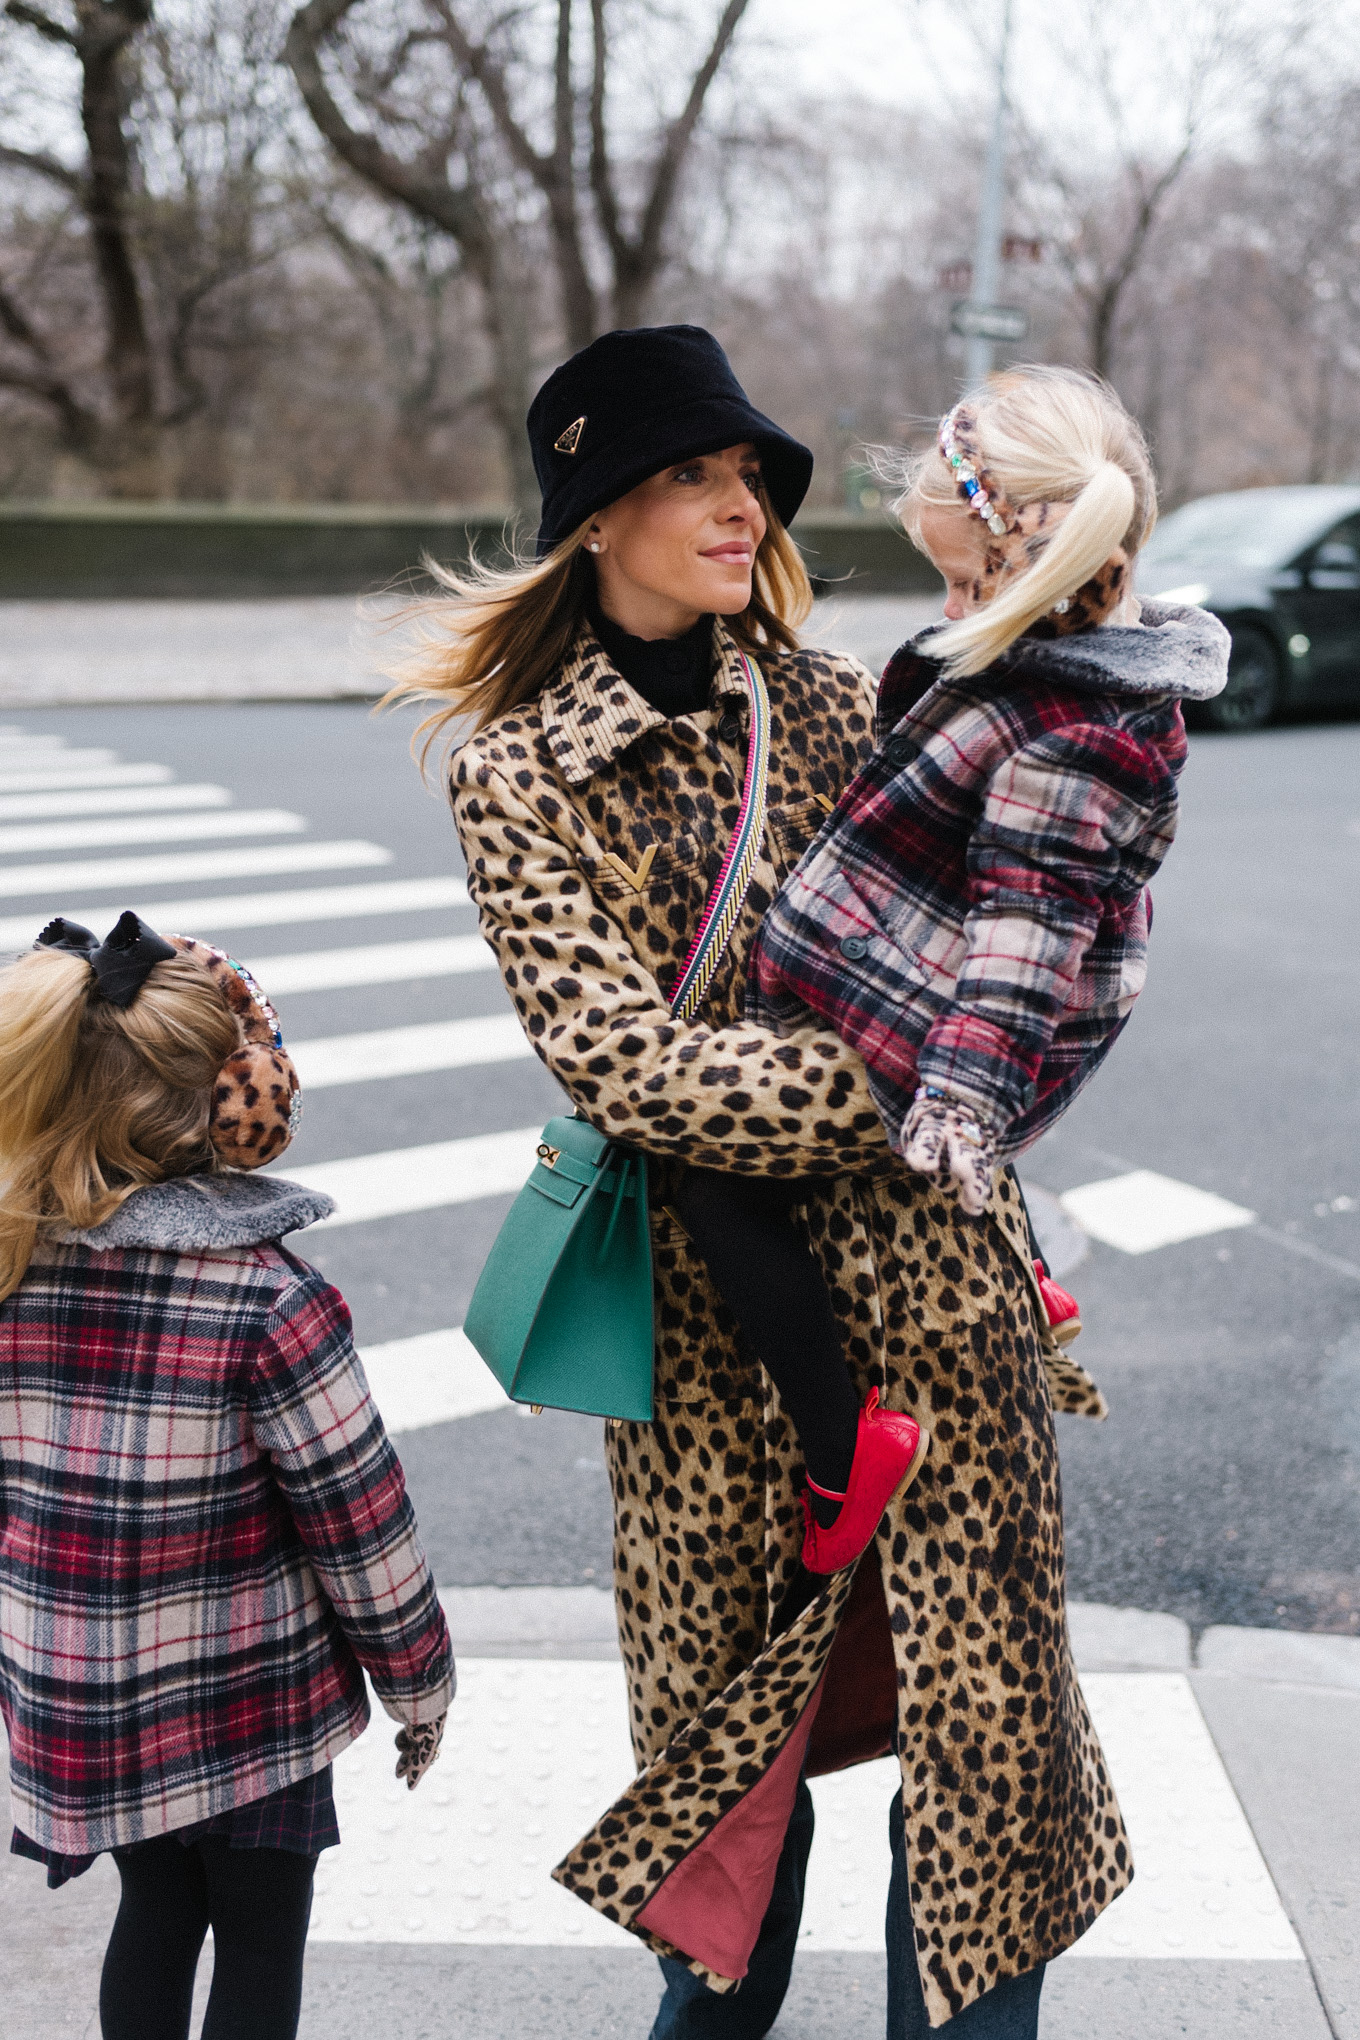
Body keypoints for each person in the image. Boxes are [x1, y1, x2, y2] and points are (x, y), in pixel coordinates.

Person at [395, 323, 1134, 2038]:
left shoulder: (844, 699)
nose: (737, 506)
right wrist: (905, 1074)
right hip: (713, 1358)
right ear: (597, 515)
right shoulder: (517, 774)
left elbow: (1006, 953)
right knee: (734, 1814)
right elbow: (628, 1073)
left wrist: (944, 1057)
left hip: (944, 1309)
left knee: (983, 1779)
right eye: (689, 476)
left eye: (747, 477)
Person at [748, 369, 1231, 1518]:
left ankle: (837, 1452)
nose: (953, 604)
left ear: (1039, 561)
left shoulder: (1077, 730)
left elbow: (1027, 932)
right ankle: (1028, 1269)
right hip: (907, 974)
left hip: (931, 1026)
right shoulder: (1037, 662)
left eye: (966, 579)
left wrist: (960, 1103)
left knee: (724, 1186)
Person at [0, 911, 455, 2040]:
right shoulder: (267, 1302)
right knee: (260, 1929)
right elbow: (361, 1521)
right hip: (256, 1699)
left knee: (152, 1909)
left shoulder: (13, 1273)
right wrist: (418, 1682)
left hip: (95, 1695)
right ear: (233, 1104)